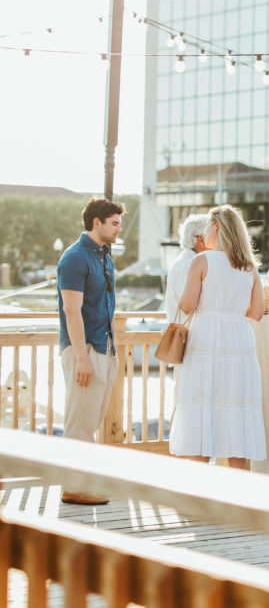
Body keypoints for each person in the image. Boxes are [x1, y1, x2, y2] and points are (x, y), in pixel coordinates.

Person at [169, 205, 266, 468]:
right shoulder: (249, 267)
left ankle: (200, 487)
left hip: (206, 337)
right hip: (238, 338)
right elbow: (257, 312)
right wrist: (230, 309)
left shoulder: (201, 261)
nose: (204, 231)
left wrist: (213, 306)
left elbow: (187, 306)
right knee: (236, 406)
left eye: (208, 225)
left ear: (217, 228)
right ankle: (236, 487)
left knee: (203, 406)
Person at [56, 197, 125, 505]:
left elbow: (107, 306)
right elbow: (72, 311)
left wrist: (112, 349)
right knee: (79, 421)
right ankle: (73, 486)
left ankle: (81, 482)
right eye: (114, 223)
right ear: (97, 222)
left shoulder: (104, 257)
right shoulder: (74, 258)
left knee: (91, 419)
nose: (119, 229)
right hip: (83, 349)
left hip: (103, 347)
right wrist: (82, 359)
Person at [165, 214, 208, 319]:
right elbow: (189, 306)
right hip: (187, 332)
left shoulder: (189, 261)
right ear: (200, 239)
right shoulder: (186, 265)